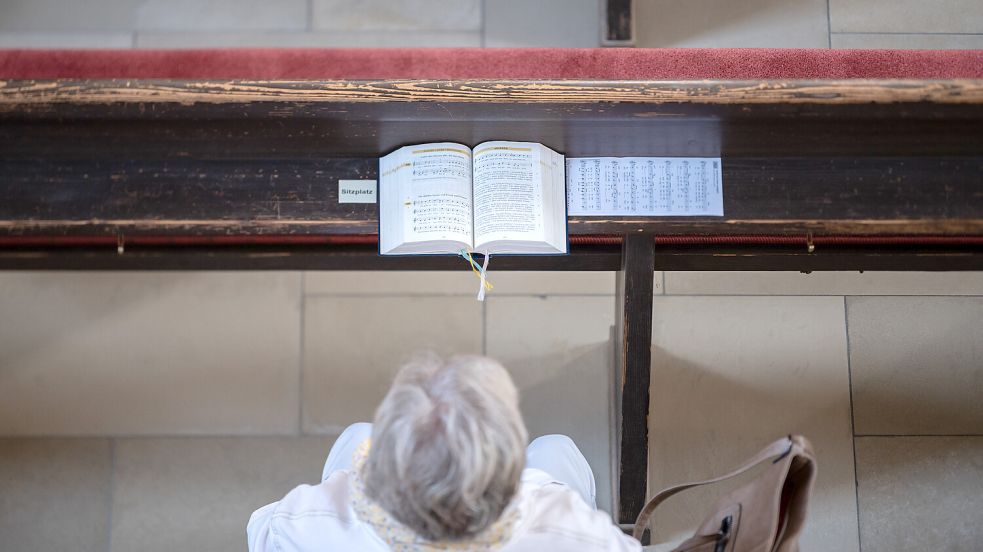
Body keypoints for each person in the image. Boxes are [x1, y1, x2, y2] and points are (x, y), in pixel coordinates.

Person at [247, 353, 641, 551]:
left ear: (384, 473)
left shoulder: (305, 521)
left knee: (355, 434)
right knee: (556, 449)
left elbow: (261, 530)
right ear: (507, 472)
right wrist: (541, 488)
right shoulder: (567, 530)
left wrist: (345, 483)